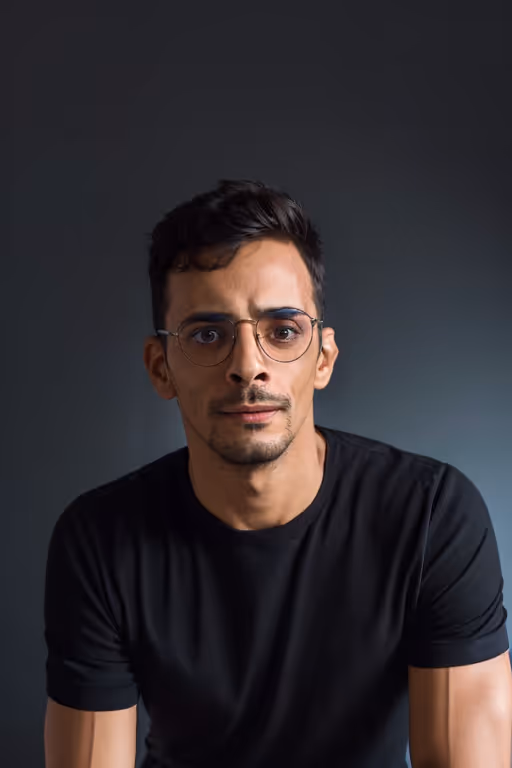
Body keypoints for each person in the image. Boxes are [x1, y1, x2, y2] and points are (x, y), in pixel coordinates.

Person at [43, 179, 512, 768]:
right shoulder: (100, 539)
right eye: (208, 334)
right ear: (161, 368)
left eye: (282, 331)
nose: (248, 366)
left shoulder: (431, 516)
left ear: (323, 358)